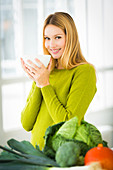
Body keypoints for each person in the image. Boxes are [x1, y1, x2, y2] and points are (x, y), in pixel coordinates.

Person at [20, 12, 97, 150]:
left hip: (62, 157)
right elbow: (27, 123)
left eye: (58, 37)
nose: (51, 44)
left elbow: (68, 123)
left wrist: (44, 84)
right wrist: (38, 82)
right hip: (35, 156)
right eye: (47, 38)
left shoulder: (84, 71)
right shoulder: (44, 71)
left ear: (70, 38)